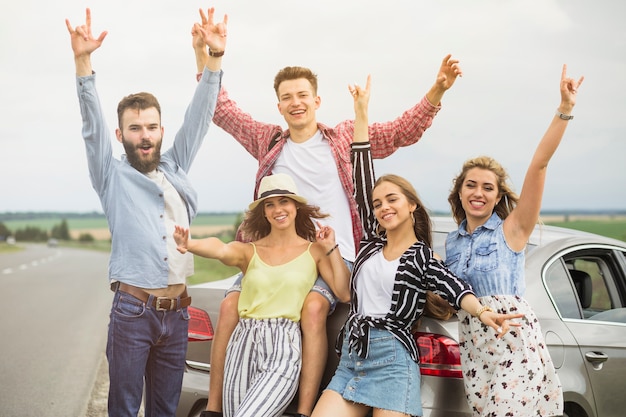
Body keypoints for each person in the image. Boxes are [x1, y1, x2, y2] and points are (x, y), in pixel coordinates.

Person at [191, 14, 464, 416]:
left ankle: (305, 408)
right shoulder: (268, 141)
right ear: (279, 105)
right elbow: (222, 110)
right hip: (276, 252)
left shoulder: (340, 139)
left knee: (315, 308)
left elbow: (401, 131)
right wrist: (206, 54)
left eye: (303, 95)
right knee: (230, 306)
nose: (295, 102)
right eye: (287, 96)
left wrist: (437, 90)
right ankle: (214, 406)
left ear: (316, 101)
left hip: (338, 254)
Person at [310, 75, 523, 417]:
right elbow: (361, 176)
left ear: (411, 205)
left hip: (393, 361)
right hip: (353, 357)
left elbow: (454, 288)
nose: (383, 207)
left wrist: (484, 312)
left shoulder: (422, 257)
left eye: (391, 199)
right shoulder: (369, 245)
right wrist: (361, 113)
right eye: (378, 204)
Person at [65, 7, 227, 417]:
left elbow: (201, 117)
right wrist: (83, 62)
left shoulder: (175, 165)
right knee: (122, 408)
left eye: (151, 127)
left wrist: (215, 59)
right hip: (133, 313)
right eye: (135, 128)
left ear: (161, 131)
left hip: (177, 315)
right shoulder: (111, 175)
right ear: (121, 135)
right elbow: (91, 128)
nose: (145, 136)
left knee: (165, 409)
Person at [444, 64, 584, 416]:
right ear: (459, 192)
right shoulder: (452, 243)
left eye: (487, 187)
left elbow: (538, 166)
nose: (478, 193)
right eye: (470, 185)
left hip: (515, 347)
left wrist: (564, 109)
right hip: (474, 350)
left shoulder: (513, 229)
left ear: (496, 196)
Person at [173, 173, 351, 417]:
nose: (278, 209)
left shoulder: (314, 250)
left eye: (284, 201)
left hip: (283, 346)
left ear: (295, 206)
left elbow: (343, 292)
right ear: (264, 212)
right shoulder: (250, 251)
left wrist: (332, 247)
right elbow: (221, 248)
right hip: (242, 343)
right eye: (270, 204)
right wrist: (190, 244)